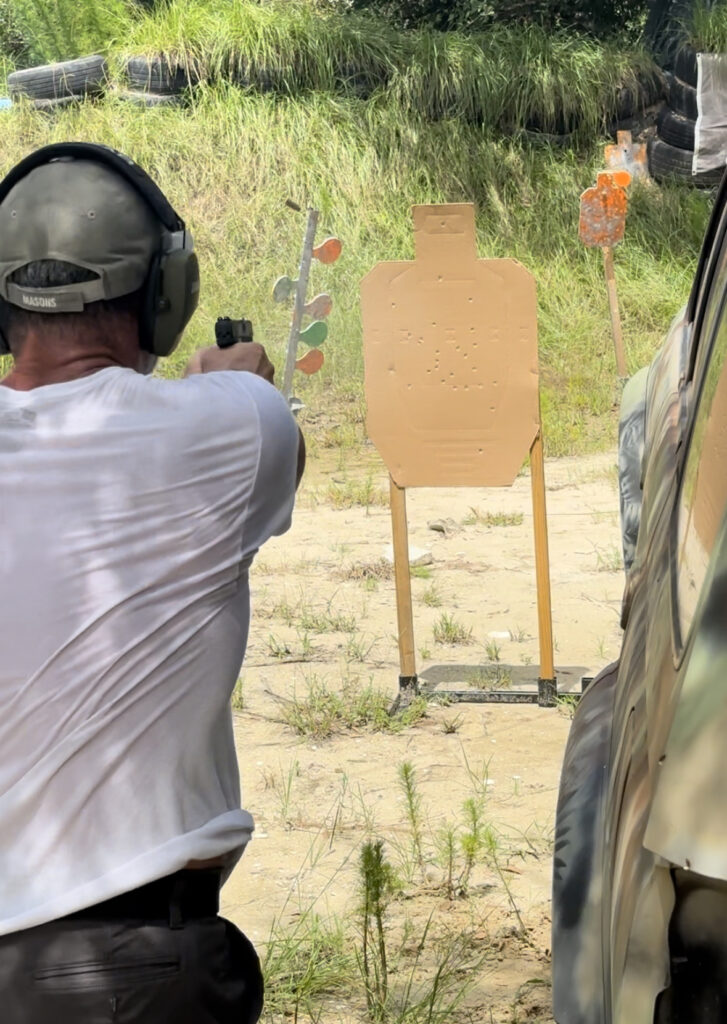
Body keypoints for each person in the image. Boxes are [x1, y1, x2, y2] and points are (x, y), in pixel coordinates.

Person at [0, 143, 304, 1023]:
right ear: (166, 297)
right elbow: (171, 431)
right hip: (135, 972)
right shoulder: (243, 426)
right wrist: (230, 387)